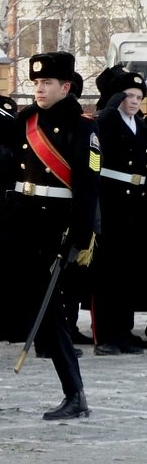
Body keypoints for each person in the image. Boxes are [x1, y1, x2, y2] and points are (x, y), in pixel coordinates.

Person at [0, 51, 98, 420]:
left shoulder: (83, 128)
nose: (40, 89)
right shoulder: (28, 120)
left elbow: (88, 183)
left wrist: (79, 235)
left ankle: (74, 394)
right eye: (36, 83)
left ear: (66, 86)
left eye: (47, 83)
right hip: (18, 220)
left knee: (48, 311)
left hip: (54, 224)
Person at [92, 69, 147, 355]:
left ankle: (123, 331)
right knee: (107, 271)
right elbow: (99, 130)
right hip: (111, 200)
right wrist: (112, 104)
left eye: (139, 96)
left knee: (127, 270)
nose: (135, 101)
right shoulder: (108, 119)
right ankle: (105, 335)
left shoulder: (140, 124)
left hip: (135, 205)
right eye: (129, 96)